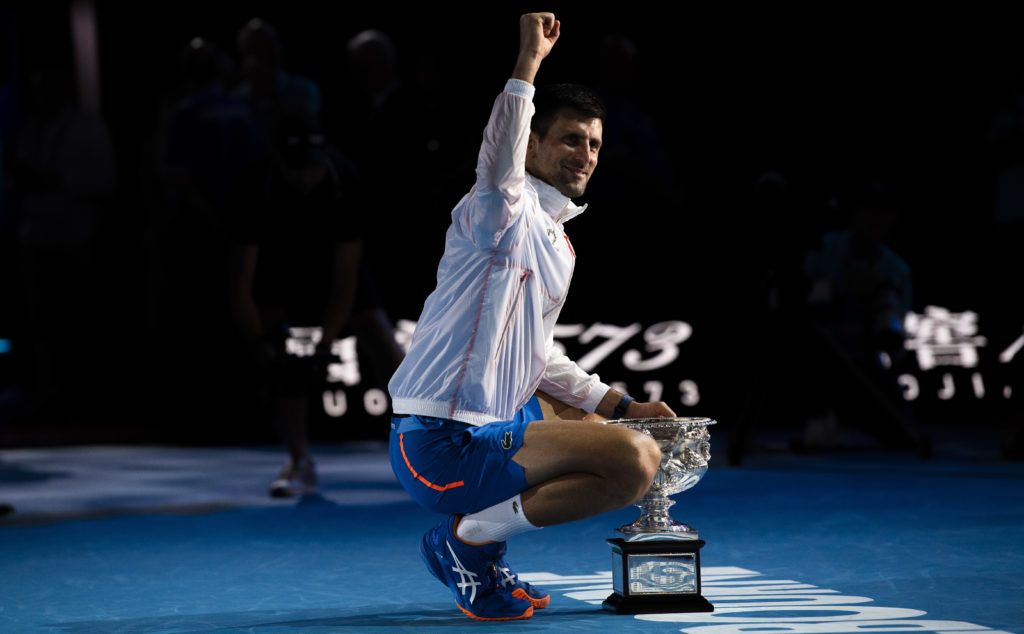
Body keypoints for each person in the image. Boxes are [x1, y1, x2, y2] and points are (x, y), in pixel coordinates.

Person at [387, 13, 672, 621]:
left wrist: (621, 406)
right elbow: (499, 153)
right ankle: (468, 542)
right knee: (633, 464)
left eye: (594, 144)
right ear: (536, 143)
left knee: (594, 418)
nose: (585, 154)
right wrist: (528, 65)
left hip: (492, 426)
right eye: (570, 139)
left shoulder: (558, 243)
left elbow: (539, 355)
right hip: (440, 444)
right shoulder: (498, 208)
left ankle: (477, 548)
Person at [233, 116, 402, 497]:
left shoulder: (345, 181)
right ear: (278, 159)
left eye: (312, 165)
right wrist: (260, 343)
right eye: (297, 167)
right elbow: (242, 283)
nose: (306, 176)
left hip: (334, 265)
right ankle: (300, 461)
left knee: (383, 340)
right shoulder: (254, 189)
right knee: (282, 363)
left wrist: (325, 345)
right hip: (279, 269)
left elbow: (346, 280)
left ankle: (436, 443)